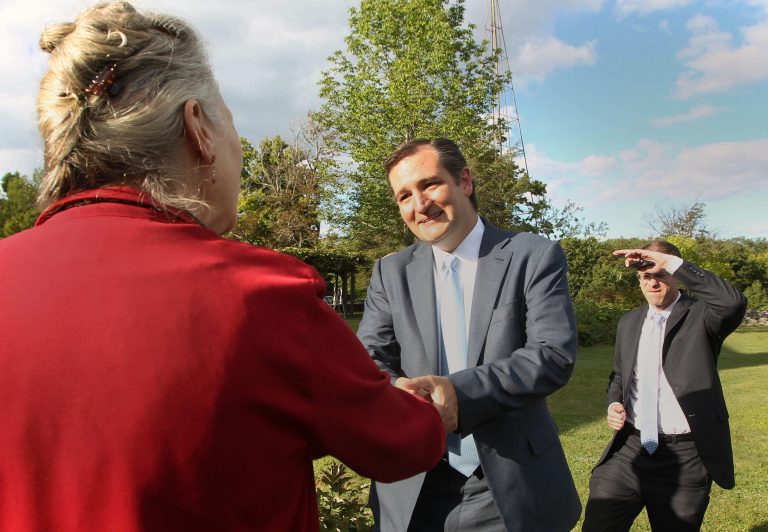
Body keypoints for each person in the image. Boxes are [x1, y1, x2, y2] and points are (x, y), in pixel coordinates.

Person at [0, 3, 446, 530]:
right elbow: (398, 445)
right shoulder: (260, 296)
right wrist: (429, 406)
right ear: (199, 128)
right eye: (231, 123)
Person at [357, 138, 582, 531]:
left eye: (429, 184)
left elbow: (552, 354)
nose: (418, 204)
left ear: (464, 181)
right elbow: (368, 360)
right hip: (412, 484)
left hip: (509, 485)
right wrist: (399, 391)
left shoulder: (532, 255)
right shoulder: (389, 273)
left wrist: (458, 394)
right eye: (403, 196)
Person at [582, 240, 747, 531]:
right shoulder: (629, 322)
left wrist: (668, 262)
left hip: (683, 458)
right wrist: (613, 402)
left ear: (675, 275)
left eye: (660, 275)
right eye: (646, 277)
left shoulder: (702, 316)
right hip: (629, 450)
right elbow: (620, 375)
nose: (652, 283)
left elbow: (732, 302)